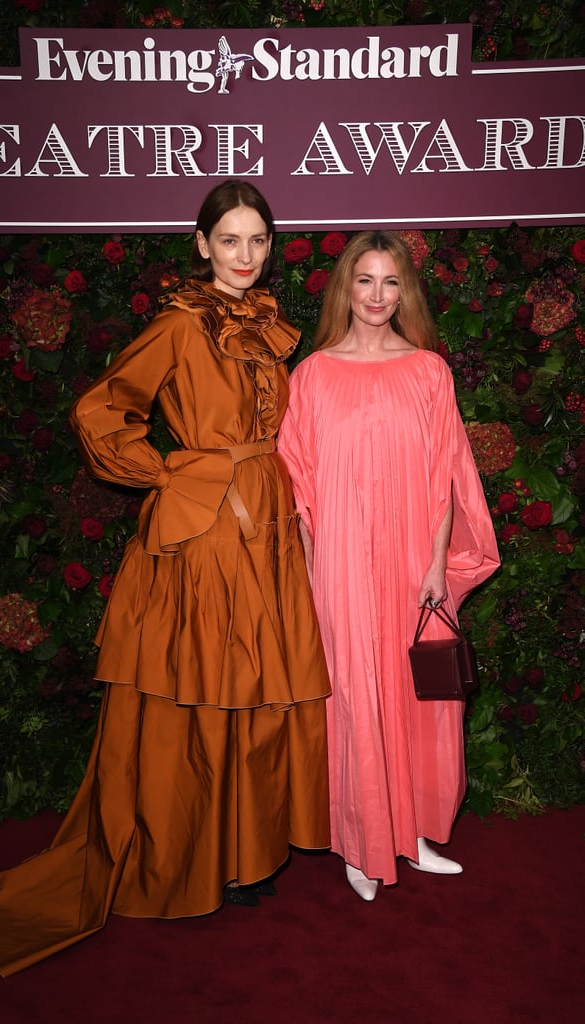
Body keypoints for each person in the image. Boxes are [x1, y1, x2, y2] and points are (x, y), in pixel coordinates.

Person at [0, 180, 331, 975]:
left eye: (257, 241)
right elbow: (99, 410)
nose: (244, 256)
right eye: (229, 240)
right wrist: (165, 472)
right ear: (200, 245)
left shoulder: (266, 330)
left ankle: (246, 852)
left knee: (255, 688)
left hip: (266, 521)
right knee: (195, 691)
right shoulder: (177, 325)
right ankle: (190, 859)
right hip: (203, 528)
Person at [277, 230, 499, 902]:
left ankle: (416, 834)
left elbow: (446, 478)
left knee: (413, 698)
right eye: (365, 280)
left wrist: (436, 567)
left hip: (411, 565)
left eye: (390, 282)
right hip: (340, 565)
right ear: (345, 287)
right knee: (351, 698)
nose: (377, 296)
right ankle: (361, 843)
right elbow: (299, 489)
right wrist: (313, 576)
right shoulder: (311, 375)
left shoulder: (428, 371)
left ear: (406, 291)